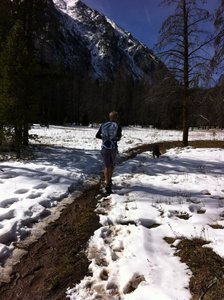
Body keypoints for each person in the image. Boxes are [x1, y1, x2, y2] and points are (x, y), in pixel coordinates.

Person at [96, 111, 122, 194]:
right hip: (113, 148)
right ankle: (109, 181)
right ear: (117, 117)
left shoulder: (103, 125)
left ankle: (107, 182)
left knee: (106, 166)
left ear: (109, 117)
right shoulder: (118, 126)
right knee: (112, 165)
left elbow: (97, 135)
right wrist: (114, 139)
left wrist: (105, 139)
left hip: (104, 147)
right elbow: (118, 137)